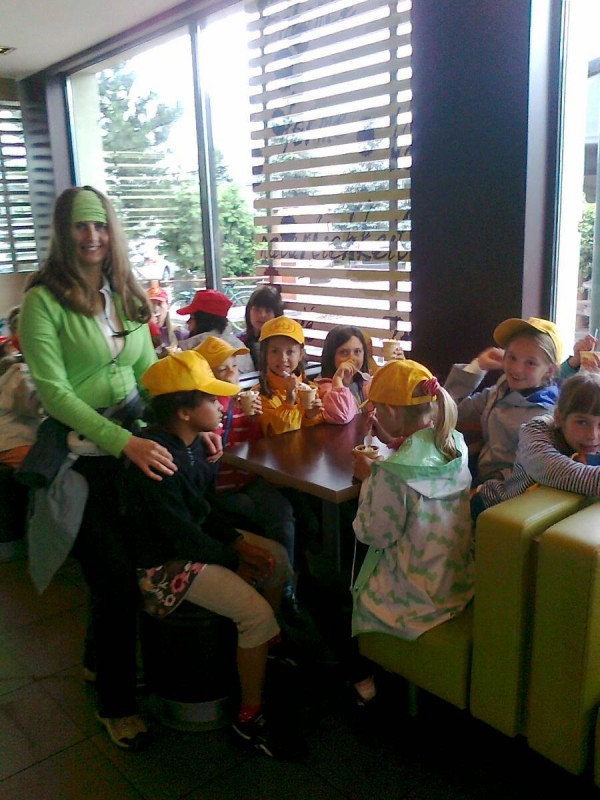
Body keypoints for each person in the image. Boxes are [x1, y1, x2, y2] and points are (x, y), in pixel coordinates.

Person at [18, 185, 180, 752]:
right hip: (81, 460)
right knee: (113, 581)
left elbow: (149, 375)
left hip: (129, 451)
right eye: (80, 226)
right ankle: (117, 704)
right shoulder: (43, 302)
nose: (92, 236)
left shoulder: (127, 296)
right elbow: (54, 394)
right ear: (64, 233)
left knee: (125, 570)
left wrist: (188, 421)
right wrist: (122, 441)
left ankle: (97, 660)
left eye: (100, 225)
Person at [124, 349, 302, 760]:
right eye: (210, 398)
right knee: (256, 613)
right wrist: (235, 557)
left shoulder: (192, 446)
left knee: (276, 558)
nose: (221, 404)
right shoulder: (158, 459)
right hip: (163, 567)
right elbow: (181, 536)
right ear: (184, 411)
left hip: (193, 545)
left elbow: (206, 511)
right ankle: (249, 716)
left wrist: (238, 544)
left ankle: (266, 650)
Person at [350, 359, 473, 704]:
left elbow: (372, 534)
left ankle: (361, 674)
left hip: (414, 600)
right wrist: (393, 447)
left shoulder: (391, 475)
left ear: (389, 410)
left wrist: (369, 479)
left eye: (377, 408)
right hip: (456, 582)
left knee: (335, 587)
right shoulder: (456, 444)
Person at [445, 316, 561, 484]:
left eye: (530, 363)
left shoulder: (548, 415)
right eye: (512, 357)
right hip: (479, 478)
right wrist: (477, 366)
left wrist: (486, 491)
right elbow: (450, 411)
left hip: (507, 492)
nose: (516, 369)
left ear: (550, 370)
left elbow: (535, 472)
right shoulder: (499, 391)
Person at [472, 371, 600, 519]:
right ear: (559, 418)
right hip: (494, 505)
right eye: (581, 422)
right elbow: (548, 468)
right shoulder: (536, 429)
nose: (592, 435)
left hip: (548, 517)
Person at [256, 316, 324, 436]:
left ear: (300, 354)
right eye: (275, 351)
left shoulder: (311, 389)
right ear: (264, 354)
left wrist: (310, 417)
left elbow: (317, 435)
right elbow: (281, 437)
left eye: (290, 352)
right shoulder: (259, 397)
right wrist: (289, 401)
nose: (283, 359)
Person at [176, 288, 254, 374]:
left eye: (192, 318)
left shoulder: (199, 352)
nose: (187, 322)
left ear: (203, 321)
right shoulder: (237, 344)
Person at [317, 325, 371, 424]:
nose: (352, 358)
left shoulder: (365, 383)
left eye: (357, 351)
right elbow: (343, 416)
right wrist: (337, 379)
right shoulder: (324, 389)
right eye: (344, 352)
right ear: (331, 356)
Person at [0, 351, 42, 469]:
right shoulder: (20, 374)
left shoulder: (13, 373)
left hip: (11, 441)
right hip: (14, 442)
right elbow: (34, 405)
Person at [239, 284, 284, 369]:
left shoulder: (285, 343)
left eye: (268, 311)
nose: (262, 315)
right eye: (257, 309)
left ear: (276, 315)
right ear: (249, 311)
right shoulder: (239, 342)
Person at [146, 285, 178, 355]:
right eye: (151, 305)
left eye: (159, 304)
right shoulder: (142, 334)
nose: (155, 309)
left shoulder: (179, 333)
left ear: (168, 306)